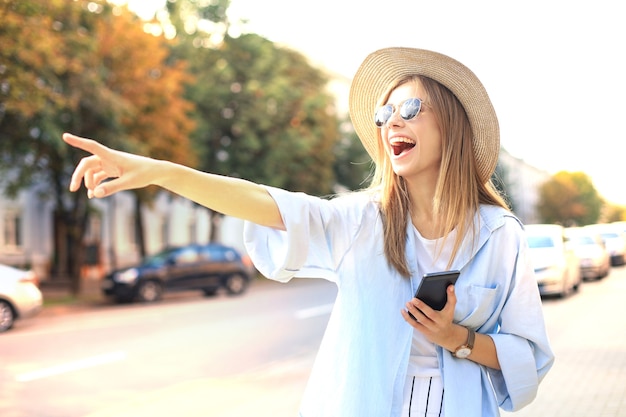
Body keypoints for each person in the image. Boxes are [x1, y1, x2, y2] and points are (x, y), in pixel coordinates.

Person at [63, 47, 554, 417]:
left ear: (452, 123)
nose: (390, 124)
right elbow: (271, 206)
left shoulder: (499, 234)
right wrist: (163, 172)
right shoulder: (361, 221)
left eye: (409, 110)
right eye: (384, 114)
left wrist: (456, 338)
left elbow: (526, 355)